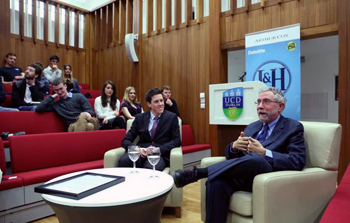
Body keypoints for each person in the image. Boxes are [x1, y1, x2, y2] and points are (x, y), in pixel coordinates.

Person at [172, 87, 306, 223]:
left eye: (266, 102)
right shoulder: (253, 127)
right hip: (243, 176)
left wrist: (265, 153)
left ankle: (198, 173)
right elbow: (232, 157)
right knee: (216, 181)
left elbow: (297, 161)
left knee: (257, 159)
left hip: (267, 179)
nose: (260, 106)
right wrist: (234, 147)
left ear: (280, 106)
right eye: (258, 102)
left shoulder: (293, 127)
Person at [118, 88, 181, 170]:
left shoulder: (172, 118)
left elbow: (177, 141)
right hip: (141, 153)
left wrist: (158, 150)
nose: (160, 104)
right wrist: (138, 149)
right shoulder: (140, 118)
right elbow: (126, 140)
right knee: (123, 161)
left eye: (161, 101)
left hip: (159, 155)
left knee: (151, 168)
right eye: (156, 101)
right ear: (149, 104)